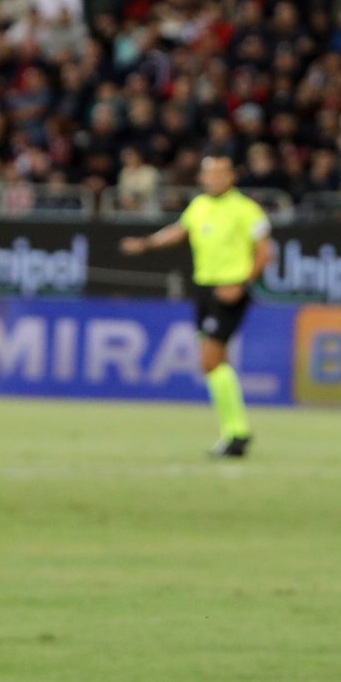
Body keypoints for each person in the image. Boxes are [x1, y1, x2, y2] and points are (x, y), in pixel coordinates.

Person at [120, 154, 272, 458]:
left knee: (209, 361)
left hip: (229, 290)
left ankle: (237, 433)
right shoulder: (199, 206)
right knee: (217, 362)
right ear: (202, 178)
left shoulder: (247, 210)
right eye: (209, 174)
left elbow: (264, 253)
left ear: (232, 176)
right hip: (204, 289)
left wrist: (241, 284)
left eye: (221, 173)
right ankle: (234, 432)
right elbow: (179, 230)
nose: (214, 178)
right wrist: (146, 243)